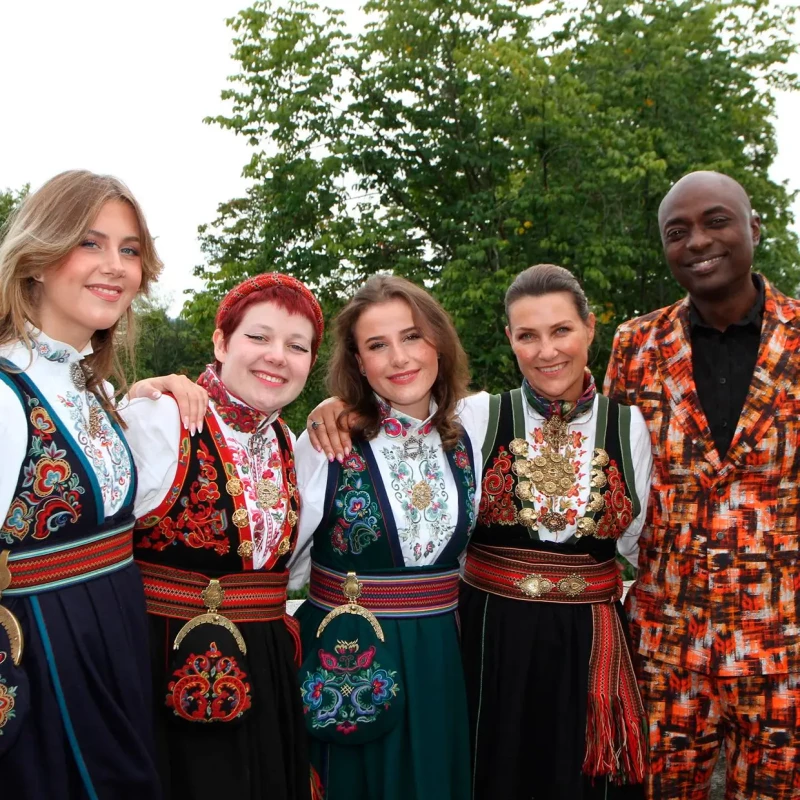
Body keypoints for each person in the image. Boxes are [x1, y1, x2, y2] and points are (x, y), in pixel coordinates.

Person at [307, 264, 653, 800]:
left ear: (590, 328)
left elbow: (639, 544)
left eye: (561, 330)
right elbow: (404, 420)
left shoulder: (630, 426)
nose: (547, 351)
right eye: (528, 336)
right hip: (492, 636)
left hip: (588, 643)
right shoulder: (475, 415)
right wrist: (338, 407)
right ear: (510, 341)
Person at [0, 170, 205, 798]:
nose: (114, 265)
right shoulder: (5, 396)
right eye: (89, 243)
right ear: (37, 259)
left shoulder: (99, 390)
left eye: (130, 249)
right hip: (47, 662)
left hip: (116, 640)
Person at [604, 171, 800, 800]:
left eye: (716, 221)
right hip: (665, 645)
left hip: (783, 644)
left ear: (752, 228)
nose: (697, 241)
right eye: (676, 231)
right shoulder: (634, 345)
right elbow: (593, 455)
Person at [123, 272, 324, 800]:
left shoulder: (287, 440)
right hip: (165, 666)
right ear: (220, 342)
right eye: (258, 337)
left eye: (296, 346)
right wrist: (132, 397)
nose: (277, 356)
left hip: (266, 669)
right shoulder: (162, 418)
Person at [291, 275, 482, 800]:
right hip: (349, 659)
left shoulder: (470, 433)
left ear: (438, 342)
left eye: (412, 336)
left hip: (440, 656)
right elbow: (281, 564)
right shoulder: (324, 445)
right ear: (358, 362)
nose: (399, 358)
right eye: (377, 345)